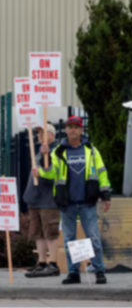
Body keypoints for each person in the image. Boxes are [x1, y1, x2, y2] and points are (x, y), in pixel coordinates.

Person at [33, 116, 112, 285]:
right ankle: (73, 272)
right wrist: (43, 161)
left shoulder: (91, 150)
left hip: (87, 201)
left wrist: (105, 195)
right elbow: (50, 174)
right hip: (66, 202)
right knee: (69, 239)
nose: (73, 130)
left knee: (94, 237)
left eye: (76, 127)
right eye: (70, 127)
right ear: (66, 130)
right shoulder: (59, 151)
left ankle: (99, 270)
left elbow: (102, 173)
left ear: (81, 130)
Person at [24, 123, 60, 278]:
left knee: (50, 232)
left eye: (44, 133)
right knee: (38, 233)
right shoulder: (39, 152)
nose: (40, 136)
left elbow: (53, 172)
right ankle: (42, 262)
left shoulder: (56, 151)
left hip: (48, 200)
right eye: (39, 133)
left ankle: (53, 264)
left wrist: (48, 157)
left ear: (52, 135)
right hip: (35, 199)